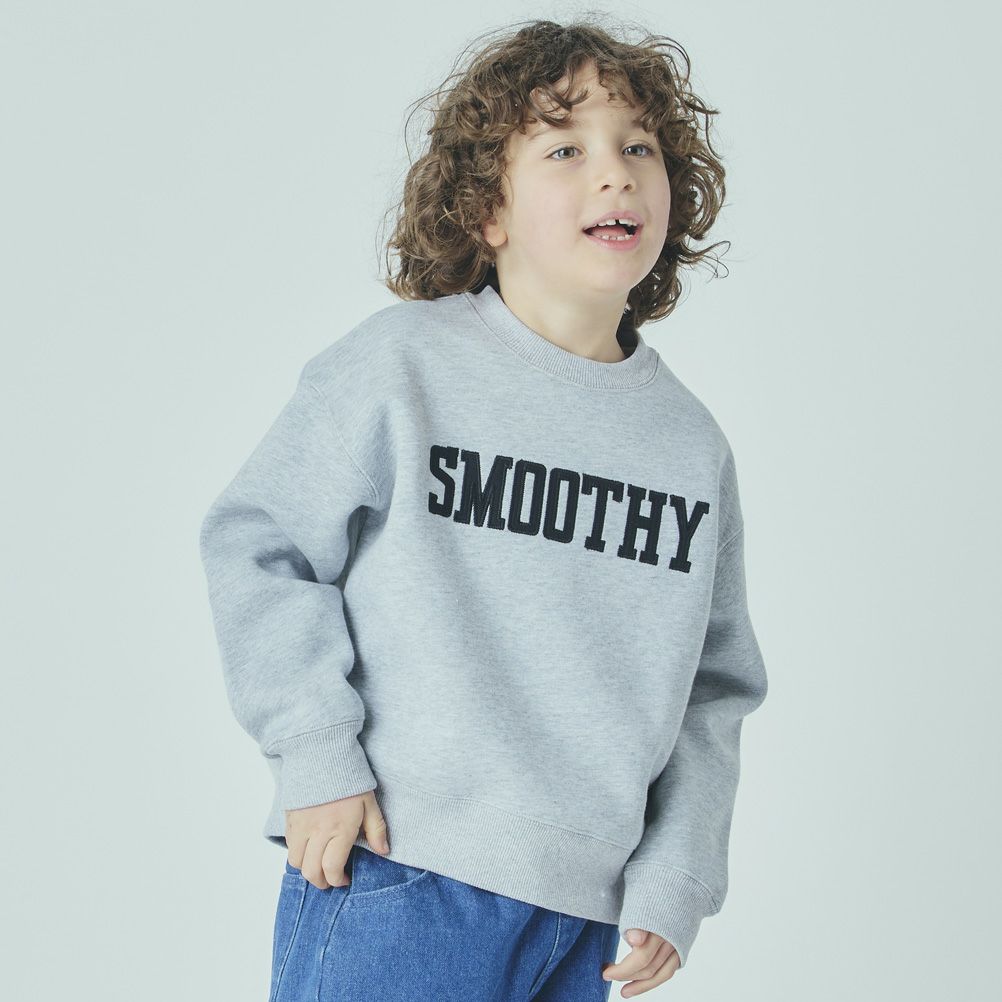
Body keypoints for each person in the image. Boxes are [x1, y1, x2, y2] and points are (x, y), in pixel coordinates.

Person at [198, 17, 769, 1002]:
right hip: (400, 866)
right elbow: (262, 542)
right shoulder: (403, 367)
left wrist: (678, 873)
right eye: (565, 149)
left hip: (585, 915)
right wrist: (316, 753)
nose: (616, 172)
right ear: (486, 210)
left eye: (640, 146)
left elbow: (713, 690)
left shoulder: (689, 445)